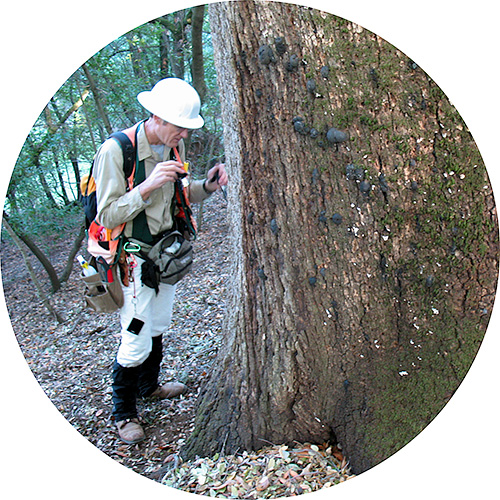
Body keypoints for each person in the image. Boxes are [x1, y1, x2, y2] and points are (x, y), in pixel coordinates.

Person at [92, 78, 228, 444]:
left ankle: (149, 386)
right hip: (133, 261)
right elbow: (106, 214)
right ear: (156, 116)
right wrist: (147, 185)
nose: (183, 133)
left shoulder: (174, 147)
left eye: (186, 127)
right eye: (179, 125)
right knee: (135, 335)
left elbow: (181, 193)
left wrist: (208, 187)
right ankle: (123, 413)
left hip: (165, 256)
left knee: (159, 324)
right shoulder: (115, 151)